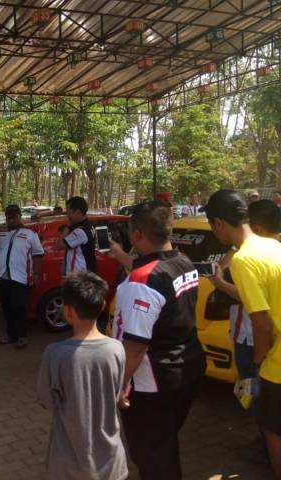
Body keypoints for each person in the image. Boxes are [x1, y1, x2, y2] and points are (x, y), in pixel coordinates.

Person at [112, 201, 206, 480]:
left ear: (137, 233)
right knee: (164, 443)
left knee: (152, 455)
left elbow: (135, 347)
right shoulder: (183, 261)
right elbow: (154, 272)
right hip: (187, 368)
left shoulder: (142, 282)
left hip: (153, 382)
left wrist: (119, 385)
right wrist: (122, 258)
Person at [205, 190, 281, 478]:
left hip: (276, 365)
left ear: (219, 223)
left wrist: (258, 363)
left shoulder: (244, 260)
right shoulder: (271, 245)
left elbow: (262, 325)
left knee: (273, 432)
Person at [37, 272, 128, 480]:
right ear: (102, 306)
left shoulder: (55, 354)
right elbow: (117, 394)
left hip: (68, 464)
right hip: (111, 463)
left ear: (68, 311)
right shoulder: (117, 349)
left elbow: (47, 401)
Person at [0, 205, 44, 349]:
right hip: (3, 277)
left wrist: (36, 274)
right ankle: (11, 334)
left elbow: (38, 255)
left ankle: (22, 336)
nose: (11, 219)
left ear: (20, 217)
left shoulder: (30, 234)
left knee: (19, 307)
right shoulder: (2, 235)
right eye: (8, 217)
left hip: (21, 277)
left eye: (14, 217)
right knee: (6, 307)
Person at [57, 196, 96, 275]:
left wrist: (68, 226)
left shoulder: (80, 231)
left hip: (78, 276)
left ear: (78, 212)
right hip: (85, 273)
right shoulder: (89, 225)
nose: (67, 216)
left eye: (68, 212)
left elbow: (59, 244)